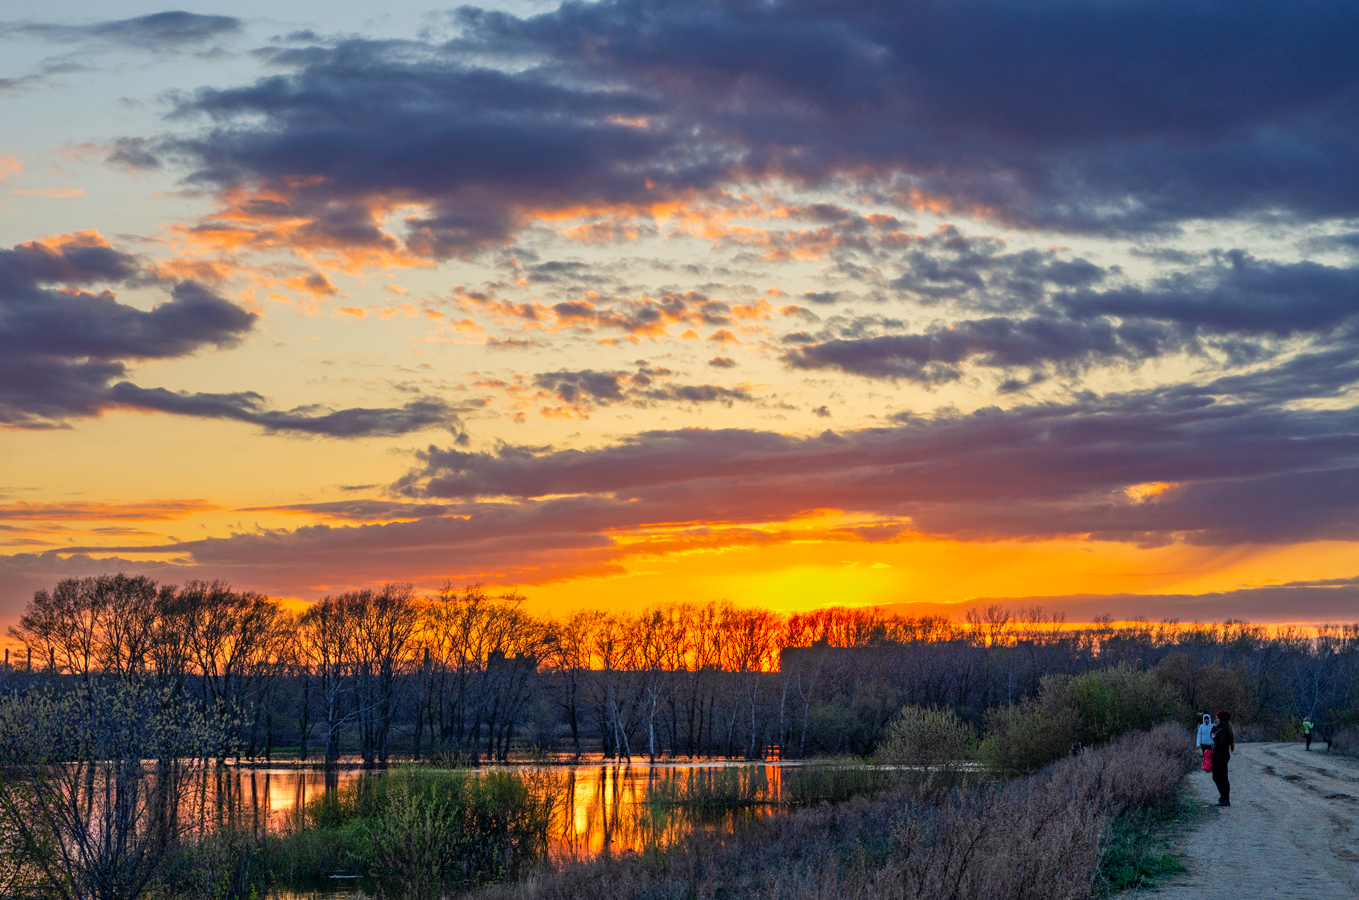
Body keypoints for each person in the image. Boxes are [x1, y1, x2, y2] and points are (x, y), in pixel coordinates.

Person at [1212, 710, 1235, 807]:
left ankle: (1225, 798)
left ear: (1221, 719)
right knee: (1219, 777)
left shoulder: (1224, 730)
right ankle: (1223, 797)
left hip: (1221, 756)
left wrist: (1214, 738)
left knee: (1220, 777)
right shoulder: (1220, 728)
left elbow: (1222, 742)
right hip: (1219, 755)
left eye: (1217, 718)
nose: (1215, 720)